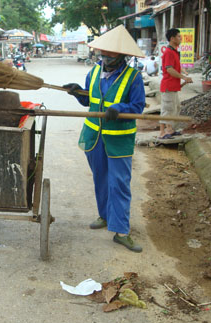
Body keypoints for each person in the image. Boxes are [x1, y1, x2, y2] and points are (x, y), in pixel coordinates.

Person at [62, 25, 146, 253]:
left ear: (122, 56)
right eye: (102, 53)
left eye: (110, 54)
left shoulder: (133, 78)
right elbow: (91, 100)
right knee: (100, 178)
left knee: (118, 183)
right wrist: (78, 92)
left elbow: (138, 107)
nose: (105, 58)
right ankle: (105, 215)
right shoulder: (95, 72)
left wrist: (119, 109)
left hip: (118, 140)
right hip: (94, 138)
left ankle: (121, 231)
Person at [159, 28, 193, 139]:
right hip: (168, 85)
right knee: (167, 110)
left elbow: (174, 68)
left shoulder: (174, 52)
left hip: (173, 86)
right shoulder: (169, 52)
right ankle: (162, 133)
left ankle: (170, 130)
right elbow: (169, 69)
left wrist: (183, 75)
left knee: (175, 108)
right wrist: (183, 77)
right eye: (178, 36)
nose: (181, 38)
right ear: (172, 38)